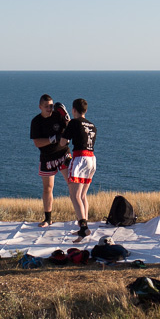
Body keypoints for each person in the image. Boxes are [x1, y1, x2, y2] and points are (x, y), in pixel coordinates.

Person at [29, 94, 70, 227]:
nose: (49, 109)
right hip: (47, 158)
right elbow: (37, 142)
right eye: (46, 106)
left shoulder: (58, 115)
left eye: (51, 106)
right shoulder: (36, 121)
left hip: (63, 154)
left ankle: (81, 218)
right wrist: (52, 139)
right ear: (40, 107)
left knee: (72, 183)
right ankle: (48, 219)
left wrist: (67, 119)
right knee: (47, 188)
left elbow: (70, 129)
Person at [62, 98, 98, 238]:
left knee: (74, 195)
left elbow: (63, 142)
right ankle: (85, 225)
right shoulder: (93, 126)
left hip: (80, 158)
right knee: (83, 195)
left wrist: (66, 128)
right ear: (86, 110)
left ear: (73, 110)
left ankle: (83, 227)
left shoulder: (74, 123)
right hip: (92, 160)